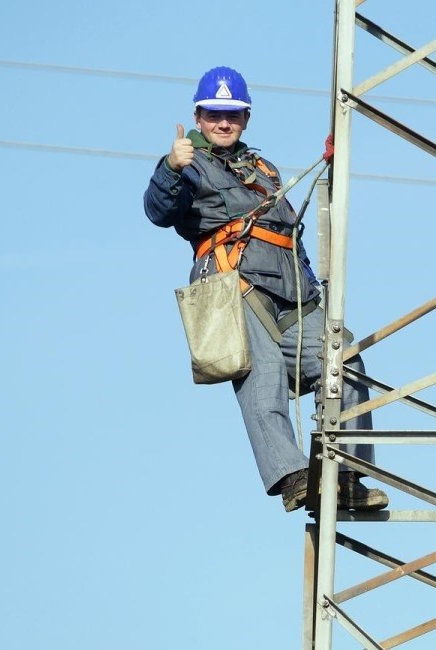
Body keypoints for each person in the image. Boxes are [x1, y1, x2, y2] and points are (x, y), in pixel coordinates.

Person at [143, 66, 388, 512]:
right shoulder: (189, 165)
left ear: (246, 119)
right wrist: (169, 168)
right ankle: (294, 476)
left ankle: (347, 474)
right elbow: (159, 210)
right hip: (235, 287)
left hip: (294, 294)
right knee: (264, 375)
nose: (223, 122)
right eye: (214, 114)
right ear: (198, 117)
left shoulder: (262, 168)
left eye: (232, 114)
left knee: (343, 362)